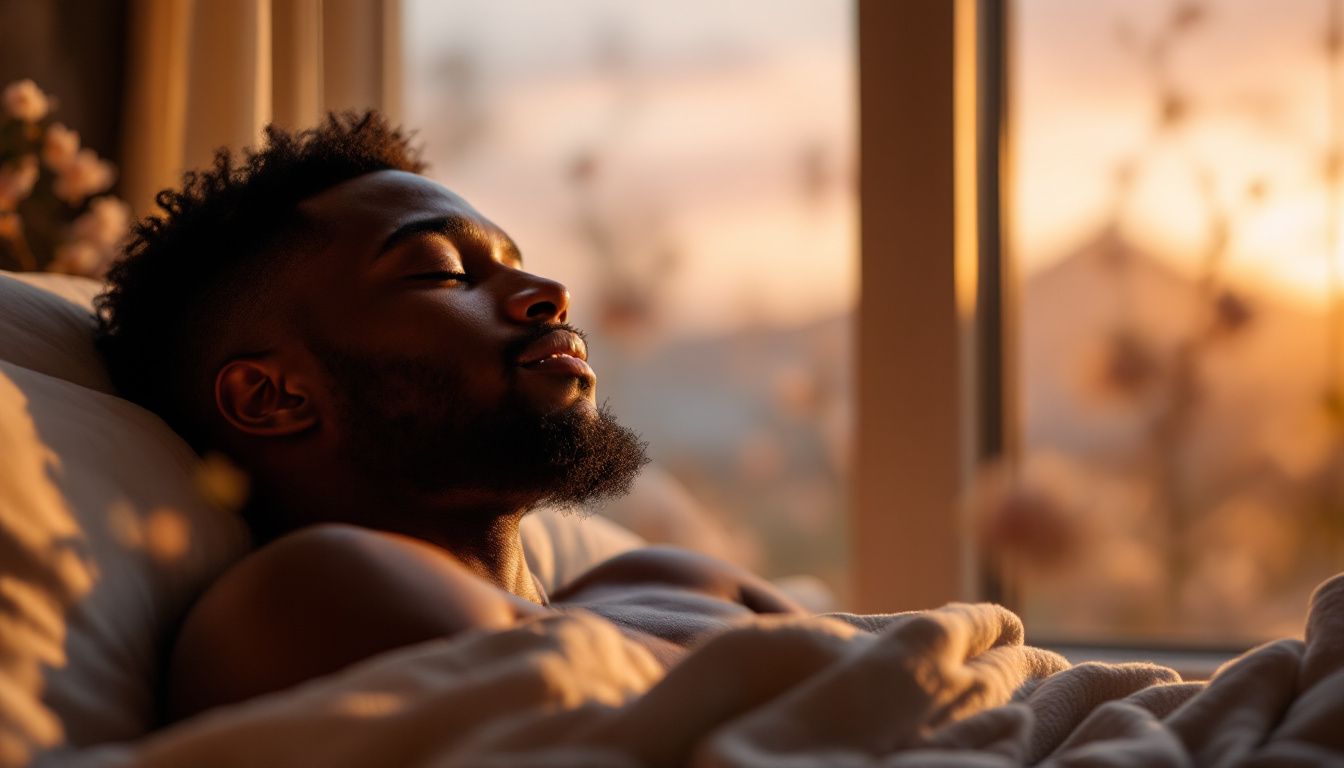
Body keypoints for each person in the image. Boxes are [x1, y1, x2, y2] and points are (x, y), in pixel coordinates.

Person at [95, 112, 805, 721]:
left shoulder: (675, 580)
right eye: (443, 272)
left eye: (515, 262)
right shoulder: (302, 599)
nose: (550, 293)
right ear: (272, 397)